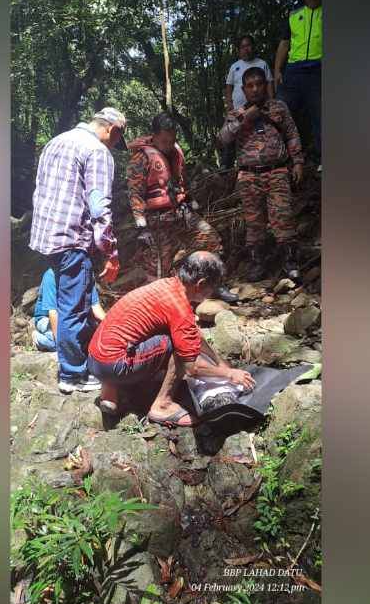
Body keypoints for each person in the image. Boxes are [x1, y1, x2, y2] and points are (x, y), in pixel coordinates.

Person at [87, 251, 255, 428]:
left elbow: (193, 333)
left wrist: (219, 362)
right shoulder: (180, 308)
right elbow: (192, 368)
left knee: (154, 336)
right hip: (114, 365)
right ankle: (162, 404)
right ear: (201, 284)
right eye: (211, 289)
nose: (210, 294)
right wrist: (229, 374)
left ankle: (111, 390)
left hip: (95, 359)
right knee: (176, 346)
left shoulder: (165, 286)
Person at [29, 107, 125, 394]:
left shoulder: (56, 141)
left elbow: (40, 190)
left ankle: (72, 361)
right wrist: (110, 251)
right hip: (72, 238)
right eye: (116, 139)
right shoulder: (97, 151)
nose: (114, 145)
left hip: (46, 235)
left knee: (71, 296)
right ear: (112, 130)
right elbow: (98, 205)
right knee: (74, 306)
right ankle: (73, 374)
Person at [127, 112, 238, 303]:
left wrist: (191, 200)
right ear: (154, 136)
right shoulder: (141, 158)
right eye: (164, 140)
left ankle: (214, 285)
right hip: (157, 221)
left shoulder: (176, 151)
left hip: (181, 213)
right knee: (158, 267)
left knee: (210, 239)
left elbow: (180, 181)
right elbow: (135, 193)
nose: (168, 145)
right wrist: (141, 226)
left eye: (172, 140)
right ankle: (157, 306)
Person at [217, 66, 305, 282]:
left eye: (259, 84)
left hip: (277, 172)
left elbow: (292, 134)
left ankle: (290, 263)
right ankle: (258, 264)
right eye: (250, 86)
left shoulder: (278, 108)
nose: (255, 89)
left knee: (283, 218)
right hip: (248, 177)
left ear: (265, 86)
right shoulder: (236, 114)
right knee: (254, 224)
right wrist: (245, 118)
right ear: (244, 90)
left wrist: (298, 162)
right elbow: (222, 140)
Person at [274, 0, 321, 161]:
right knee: (279, 111)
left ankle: (320, 160)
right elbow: (284, 44)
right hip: (293, 69)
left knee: (320, 114)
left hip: (318, 69)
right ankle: (279, 156)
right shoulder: (294, 14)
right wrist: (277, 69)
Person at [32, 268, 106, 352]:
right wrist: (60, 343)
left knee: (93, 340)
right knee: (68, 347)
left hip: (71, 316)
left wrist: (112, 324)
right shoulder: (51, 275)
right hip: (46, 317)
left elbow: (95, 306)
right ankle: (38, 338)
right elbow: (53, 312)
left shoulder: (85, 272)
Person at [224, 35, 274, 112]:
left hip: (260, 108)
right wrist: (229, 103)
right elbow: (229, 86)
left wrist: (271, 101)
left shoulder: (262, 64)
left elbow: (269, 83)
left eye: (248, 45)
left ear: (253, 46)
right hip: (238, 109)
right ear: (239, 50)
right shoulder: (234, 66)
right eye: (242, 47)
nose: (246, 49)